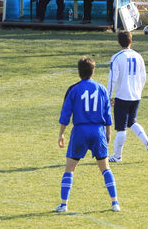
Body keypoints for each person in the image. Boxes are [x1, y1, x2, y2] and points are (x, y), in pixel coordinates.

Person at [56, 56, 120, 212]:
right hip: (98, 131)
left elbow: (66, 113)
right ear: (93, 71)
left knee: (70, 168)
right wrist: (108, 131)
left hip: (80, 131)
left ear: (79, 72)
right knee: (105, 168)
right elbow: (107, 112)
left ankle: (64, 205)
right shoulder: (102, 88)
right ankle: (115, 203)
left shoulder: (74, 89)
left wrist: (61, 134)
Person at [107, 31, 148, 162]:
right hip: (135, 95)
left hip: (122, 96)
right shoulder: (138, 56)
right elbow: (143, 76)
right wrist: (138, 90)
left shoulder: (117, 57)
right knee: (132, 122)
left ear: (118, 42)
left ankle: (117, 156)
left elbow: (113, 78)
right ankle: (147, 143)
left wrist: (108, 96)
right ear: (131, 42)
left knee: (121, 127)